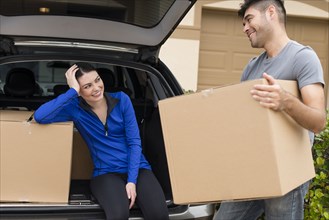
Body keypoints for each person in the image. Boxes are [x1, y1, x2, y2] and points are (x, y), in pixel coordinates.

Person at [213, 0, 326, 219]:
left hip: (287, 173)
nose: (244, 28)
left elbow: (319, 121)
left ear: (271, 12)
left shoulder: (303, 58)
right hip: (252, 168)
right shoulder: (252, 67)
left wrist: (286, 101)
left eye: (249, 19)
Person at [34, 63, 169, 220]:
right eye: (87, 86)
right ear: (79, 89)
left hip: (138, 168)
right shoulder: (74, 109)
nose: (96, 88)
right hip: (105, 173)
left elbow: (134, 142)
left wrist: (132, 181)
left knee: (159, 215)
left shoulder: (121, 100)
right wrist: (72, 92)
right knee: (119, 215)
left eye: (97, 80)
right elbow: (40, 116)